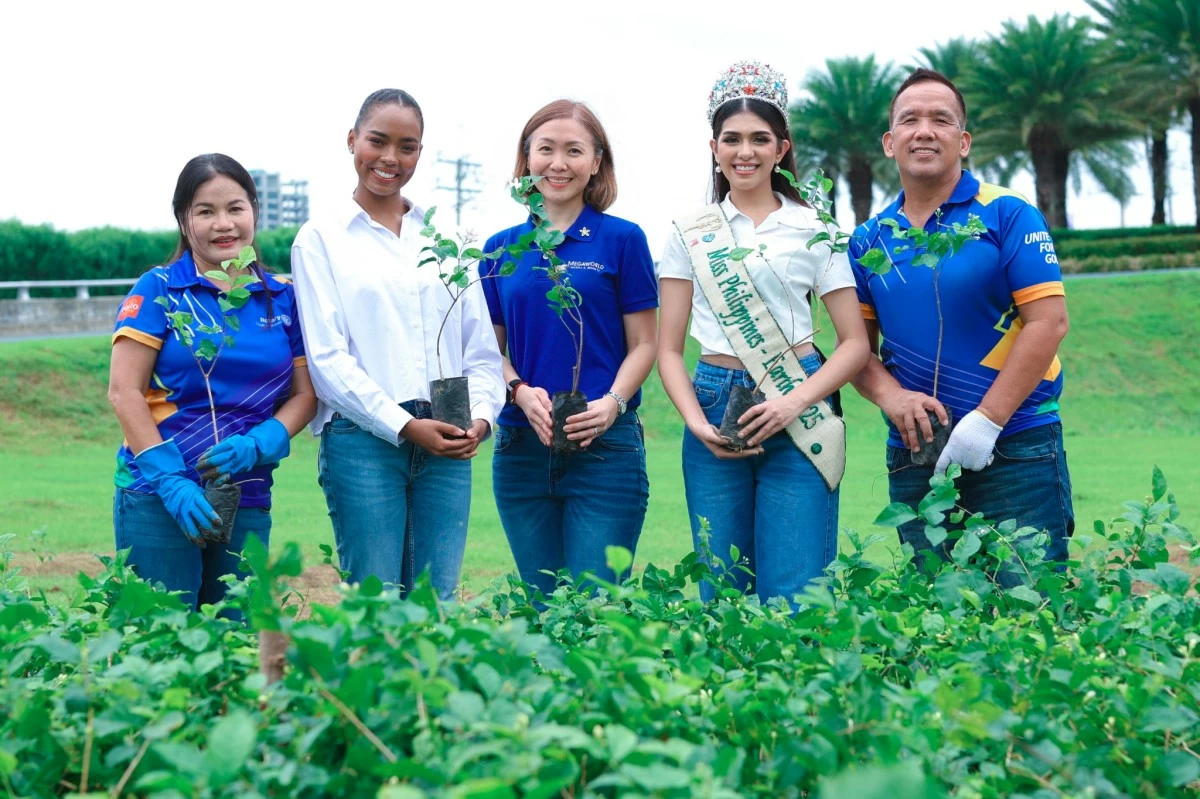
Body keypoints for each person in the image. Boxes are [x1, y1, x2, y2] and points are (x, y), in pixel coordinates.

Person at [657, 62, 871, 605]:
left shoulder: (816, 228)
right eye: (732, 139)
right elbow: (668, 349)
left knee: (797, 594)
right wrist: (695, 423)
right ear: (714, 148)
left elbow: (854, 344)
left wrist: (793, 402)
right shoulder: (690, 232)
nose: (744, 152)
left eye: (759, 139)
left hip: (801, 399)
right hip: (714, 402)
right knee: (722, 592)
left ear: (782, 149)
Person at [848, 68, 1073, 582]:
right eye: (910, 120)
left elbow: (1048, 322)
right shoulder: (867, 241)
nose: (924, 131)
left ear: (963, 141)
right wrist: (891, 398)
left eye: (941, 120)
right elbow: (854, 348)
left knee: (1031, 604)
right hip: (916, 453)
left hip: (1017, 446)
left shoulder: (1008, 213)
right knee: (934, 610)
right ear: (889, 142)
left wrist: (987, 421)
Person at [291, 88, 505, 599]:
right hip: (364, 439)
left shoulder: (446, 238)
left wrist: (480, 418)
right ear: (352, 140)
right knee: (376, 602)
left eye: (406, 147)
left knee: (436, 604)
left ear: (419, 153)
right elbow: (327, 361)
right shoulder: (320, 239)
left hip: (448, 435)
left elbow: (480, 350)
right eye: (377, 141)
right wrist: (405, 425)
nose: (390, 158)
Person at [108, 153, 316, 611]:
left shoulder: (282, 297)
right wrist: (171, 481)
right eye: (205, 211)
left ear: (254, 210)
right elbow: (124, 392)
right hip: (156, 495)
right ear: (184, 219)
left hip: (247, 490)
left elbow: (305, 394)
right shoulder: (160, 289)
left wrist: (261, 442)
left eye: (235, 208)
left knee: (238, 632)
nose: (223, 224)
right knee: (162, 634)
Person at [480, 100, 658, 599]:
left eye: (574, 151)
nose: (558, 164)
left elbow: (645, 344)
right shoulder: (499, 248)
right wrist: (518, 391)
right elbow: (487, 351)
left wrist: (612, 404)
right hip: (521, 451)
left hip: (606, 450)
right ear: (526, 158)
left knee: (596, 608)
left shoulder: (622, 240)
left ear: (596, 162)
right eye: (546, 150)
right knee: (542, 608)